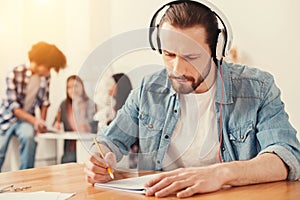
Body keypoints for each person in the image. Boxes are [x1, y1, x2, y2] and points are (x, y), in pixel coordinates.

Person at [84, 1, 300, 198]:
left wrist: (220, 174)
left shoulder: (257, 87)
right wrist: (99, 159)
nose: (178, 69)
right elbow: (108, 141)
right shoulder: (148, 90)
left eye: (191, 57)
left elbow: (286, 156)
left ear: (217, 50)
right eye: (169, 54)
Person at [0, 41, 66, 170]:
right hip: (6, 120)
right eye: (48, 67)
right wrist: (35, 121)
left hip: (26, 122)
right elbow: (14, 108)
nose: (49, 71)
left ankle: (26, 177)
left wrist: (42, 123)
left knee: (29, 138)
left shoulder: (45, 77)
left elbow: (44, 102)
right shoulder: (15, 72)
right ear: (40, 61)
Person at [53, 75, 98, 163]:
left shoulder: (91, 105)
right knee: (67, 161)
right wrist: (56, 126)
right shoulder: (64, 105)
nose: (72, 90)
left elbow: (95, 128)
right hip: (69, 150)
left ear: (82, 87)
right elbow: (55, 123)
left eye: (76, 86)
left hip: (88, 148)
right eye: (69, 87)